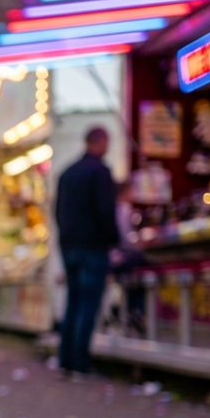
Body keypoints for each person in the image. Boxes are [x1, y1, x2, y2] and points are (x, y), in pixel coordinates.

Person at [55, 126, 120, 379]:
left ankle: (66, 359)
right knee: (87, 305)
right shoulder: (100, 173)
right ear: (102, 142)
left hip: (69, 246)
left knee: (73, 302)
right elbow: (106, 211)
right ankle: (80, 361)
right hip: (92, 247)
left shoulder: (67, 174)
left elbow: (57, 212)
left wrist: (65, 240)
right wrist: (113, 240)